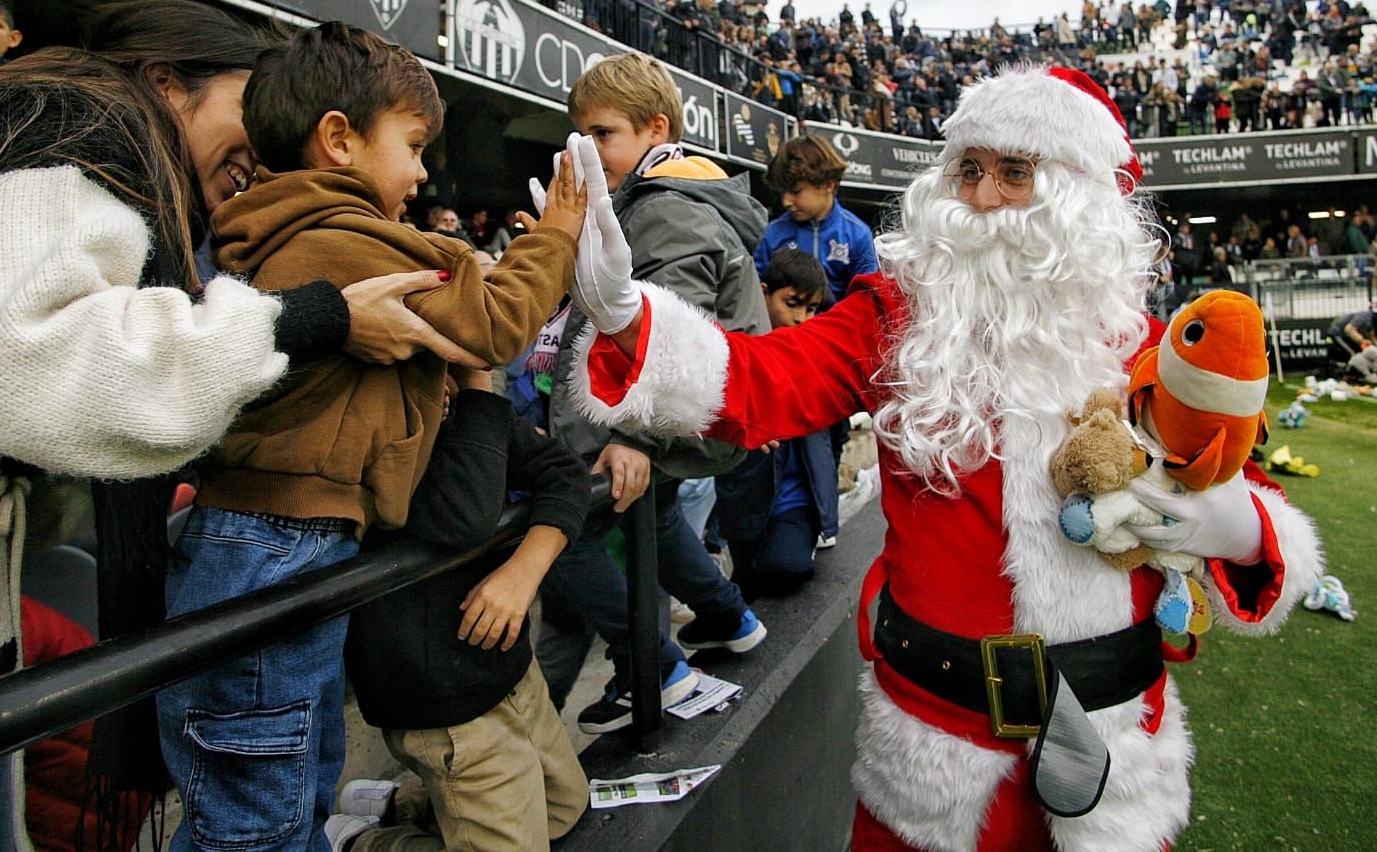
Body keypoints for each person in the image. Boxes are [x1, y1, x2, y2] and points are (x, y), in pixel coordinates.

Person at [562, 64, 1322, 850]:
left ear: (1077, 199)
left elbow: (1257, 522)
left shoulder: (1145, 352)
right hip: (931, 755)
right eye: (969, 169)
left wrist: (1226, 524)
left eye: (1015, 173)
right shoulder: (893, 318)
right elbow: (766, 381)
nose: (983, 198)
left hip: (1113, 755)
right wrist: (629, 319)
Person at [0, 0, 462, 852]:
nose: (273, 144)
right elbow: (27, 363)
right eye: (255, 103)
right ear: (168, 82)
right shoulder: (69, 118)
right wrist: (311, 319)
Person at [157, 21, 587, 852]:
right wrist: (557, 239)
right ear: (340, 140)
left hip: (283, 544)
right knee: (254, 824)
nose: (424, 170)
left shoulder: (308, 227)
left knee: (291, 796)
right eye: (416, 144)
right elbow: (489, 324)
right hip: (269, 547)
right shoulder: (333, 237)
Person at [536, 52, 768, 733]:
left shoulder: (665, 208)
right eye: (577, 135)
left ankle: (654, 667)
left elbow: (673, 335)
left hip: (669, 418)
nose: (584, 152)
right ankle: (728, 618)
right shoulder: (649, 200)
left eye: (601, 134)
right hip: (681, 417)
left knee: (561, 526)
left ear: (654, 129)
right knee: (656, 517)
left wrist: (632, 438)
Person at [332, 366, 590, 852]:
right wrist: (476, 382)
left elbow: (565, 473)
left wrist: (523, 572)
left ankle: (403, 805)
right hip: (443, 703)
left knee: (564, 810)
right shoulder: (374, 406)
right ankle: (359, 845)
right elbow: (463, 516)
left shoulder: (466, 407)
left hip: (508, 673)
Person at [714, 249, 839, 599]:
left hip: (797, 498)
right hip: (745, 493)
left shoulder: (816, 354)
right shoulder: (741, 345)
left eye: (811, 309)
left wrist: (826, 504)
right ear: (764, 292)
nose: (801, 317)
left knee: (786, 565)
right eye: (793, 303)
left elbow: (836, 435)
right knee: (748, 583)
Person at [753, 134, 878, 303]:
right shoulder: (771, 234)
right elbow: (756, 296)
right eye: (782, 192)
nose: (786, 201)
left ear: (828, 184)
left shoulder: (858, 235)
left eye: (796, 191)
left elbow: (866, 302)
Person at [1323, 301, 1377, 379]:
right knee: (1355, 356)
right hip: (1338, 334)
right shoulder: (1365, 317)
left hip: (1345, 336)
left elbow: (1372, 336)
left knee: (1359, 354)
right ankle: (1348, 375)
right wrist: (1361, 340)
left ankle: (1353, 374)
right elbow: (1348, 329)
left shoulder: (1371, 319)